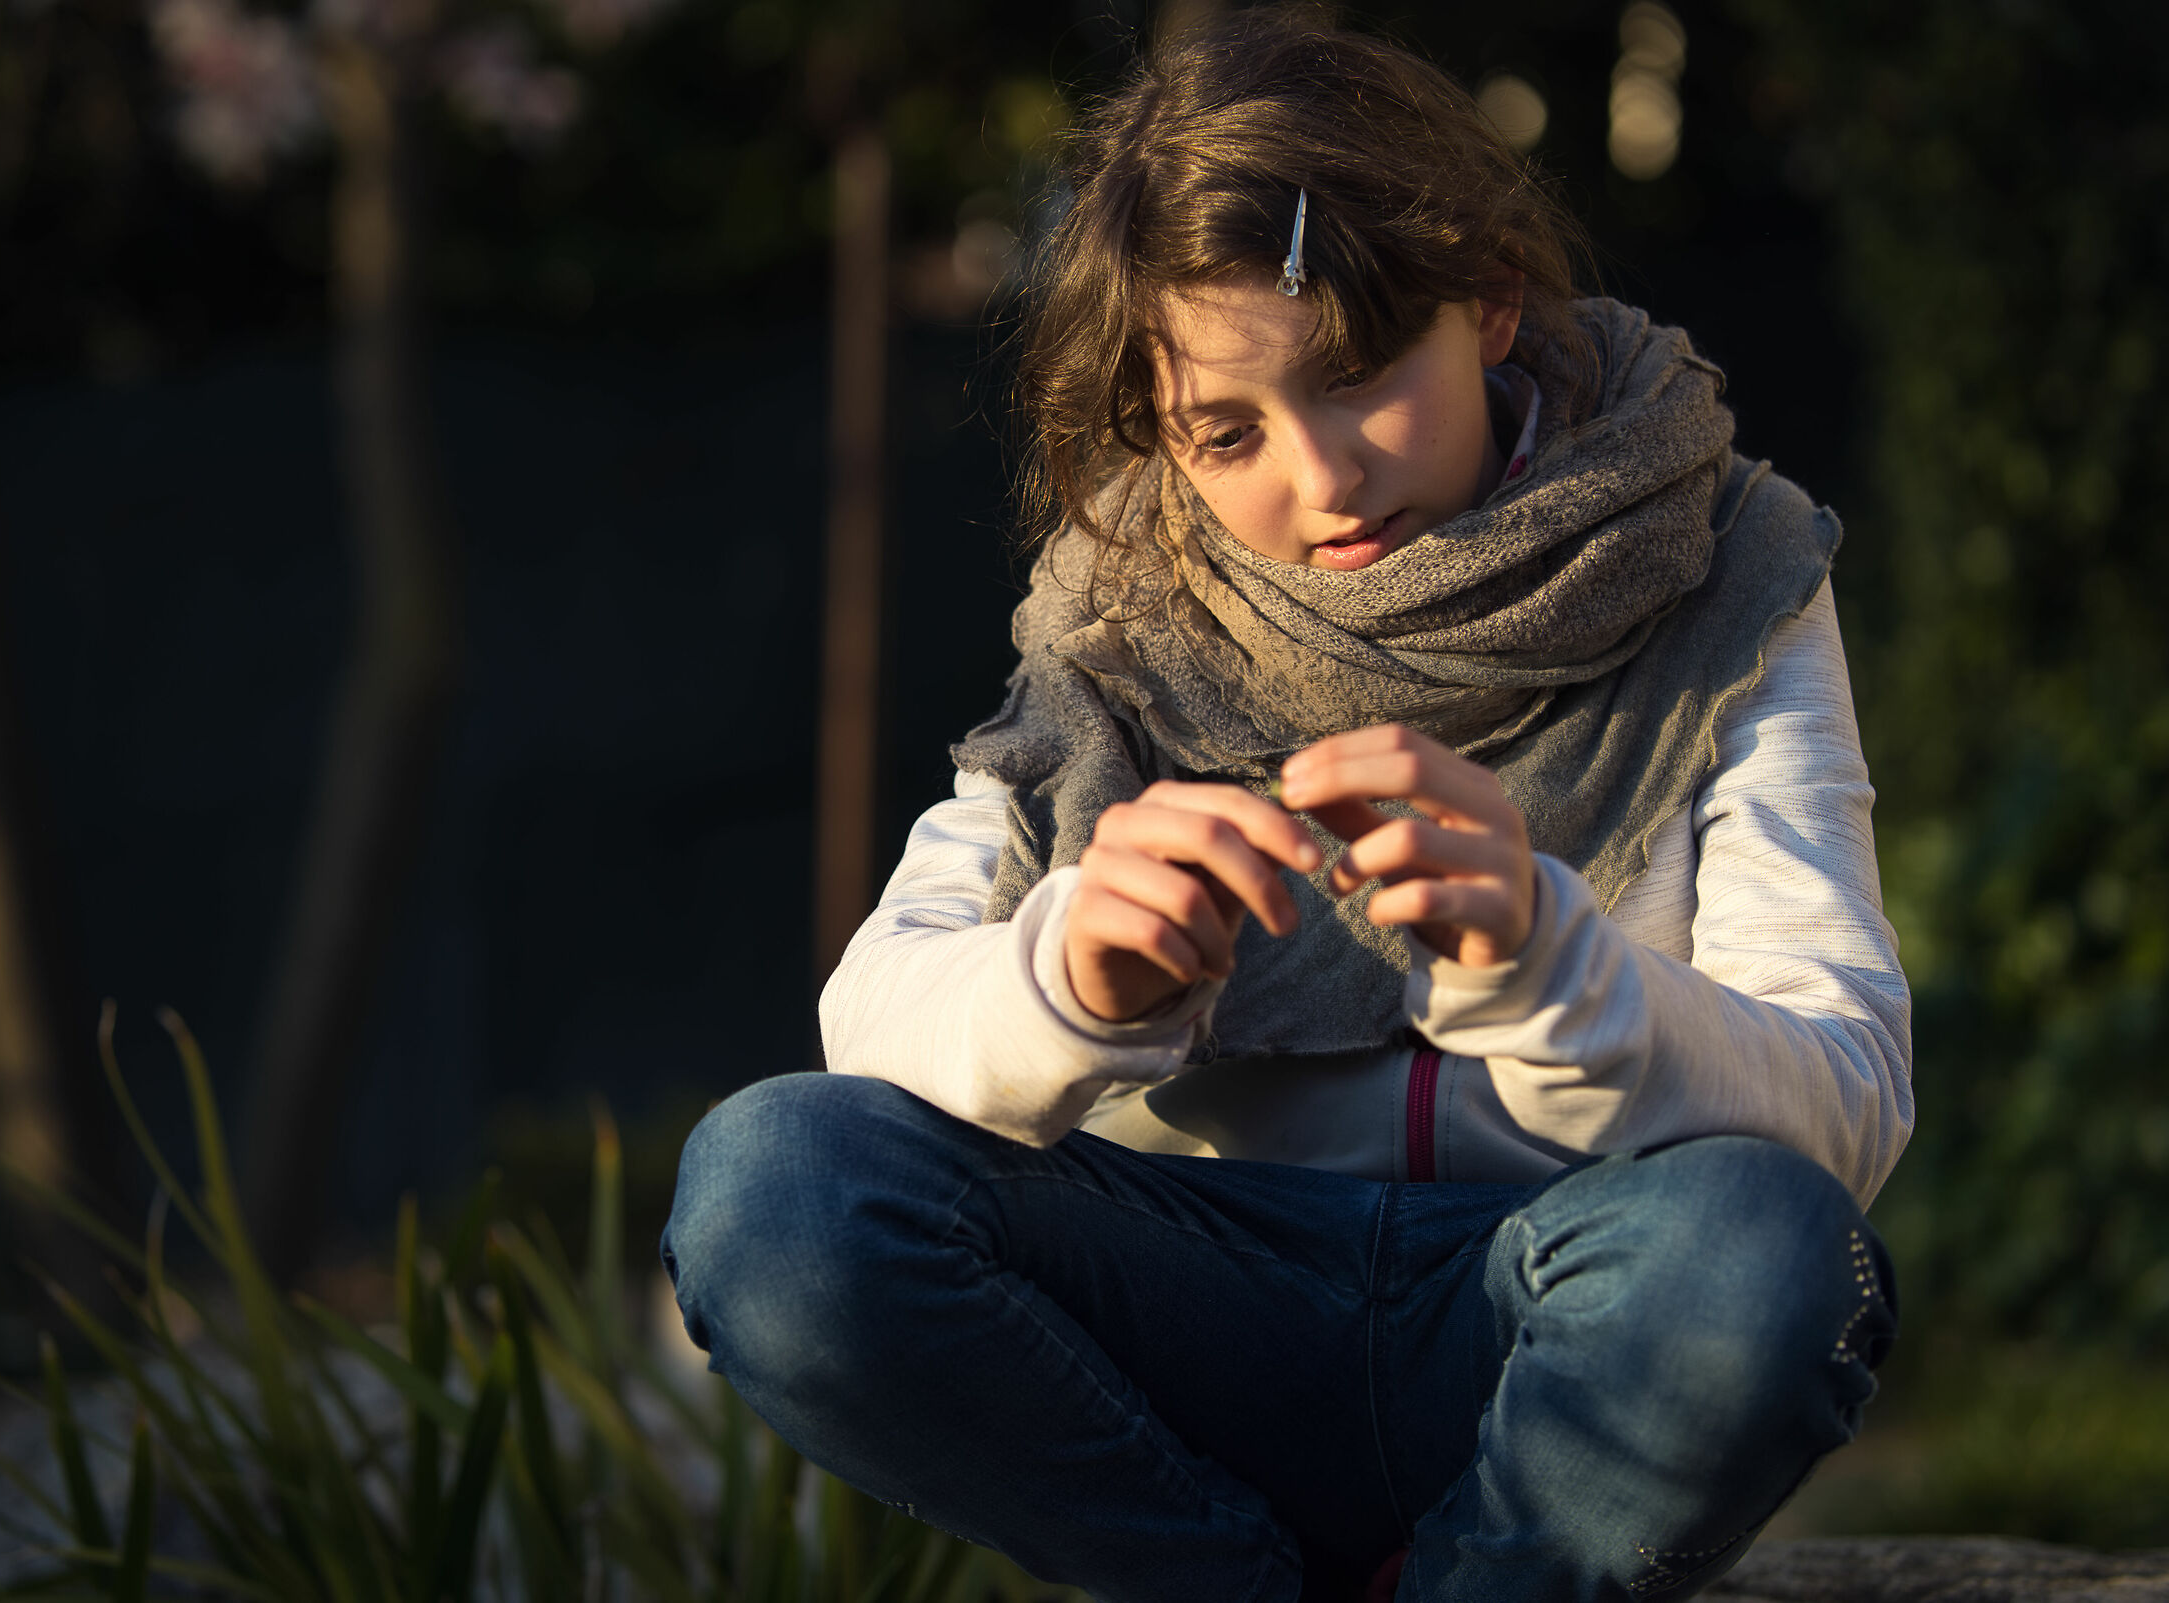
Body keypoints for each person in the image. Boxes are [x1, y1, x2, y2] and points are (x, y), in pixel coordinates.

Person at [662, 12, 1910, 1602]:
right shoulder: (1124, 617)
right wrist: (1074, 981)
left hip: (1560, 1308)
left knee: (1769, 1254)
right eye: (1226, 431)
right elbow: (874, 1032)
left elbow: (1845, 1104)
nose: (1319, 480)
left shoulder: (1723, 565)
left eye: (1359, 377)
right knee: (775, 1185)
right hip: (1198, 1305)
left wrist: (1551, 965)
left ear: (1490, 299)